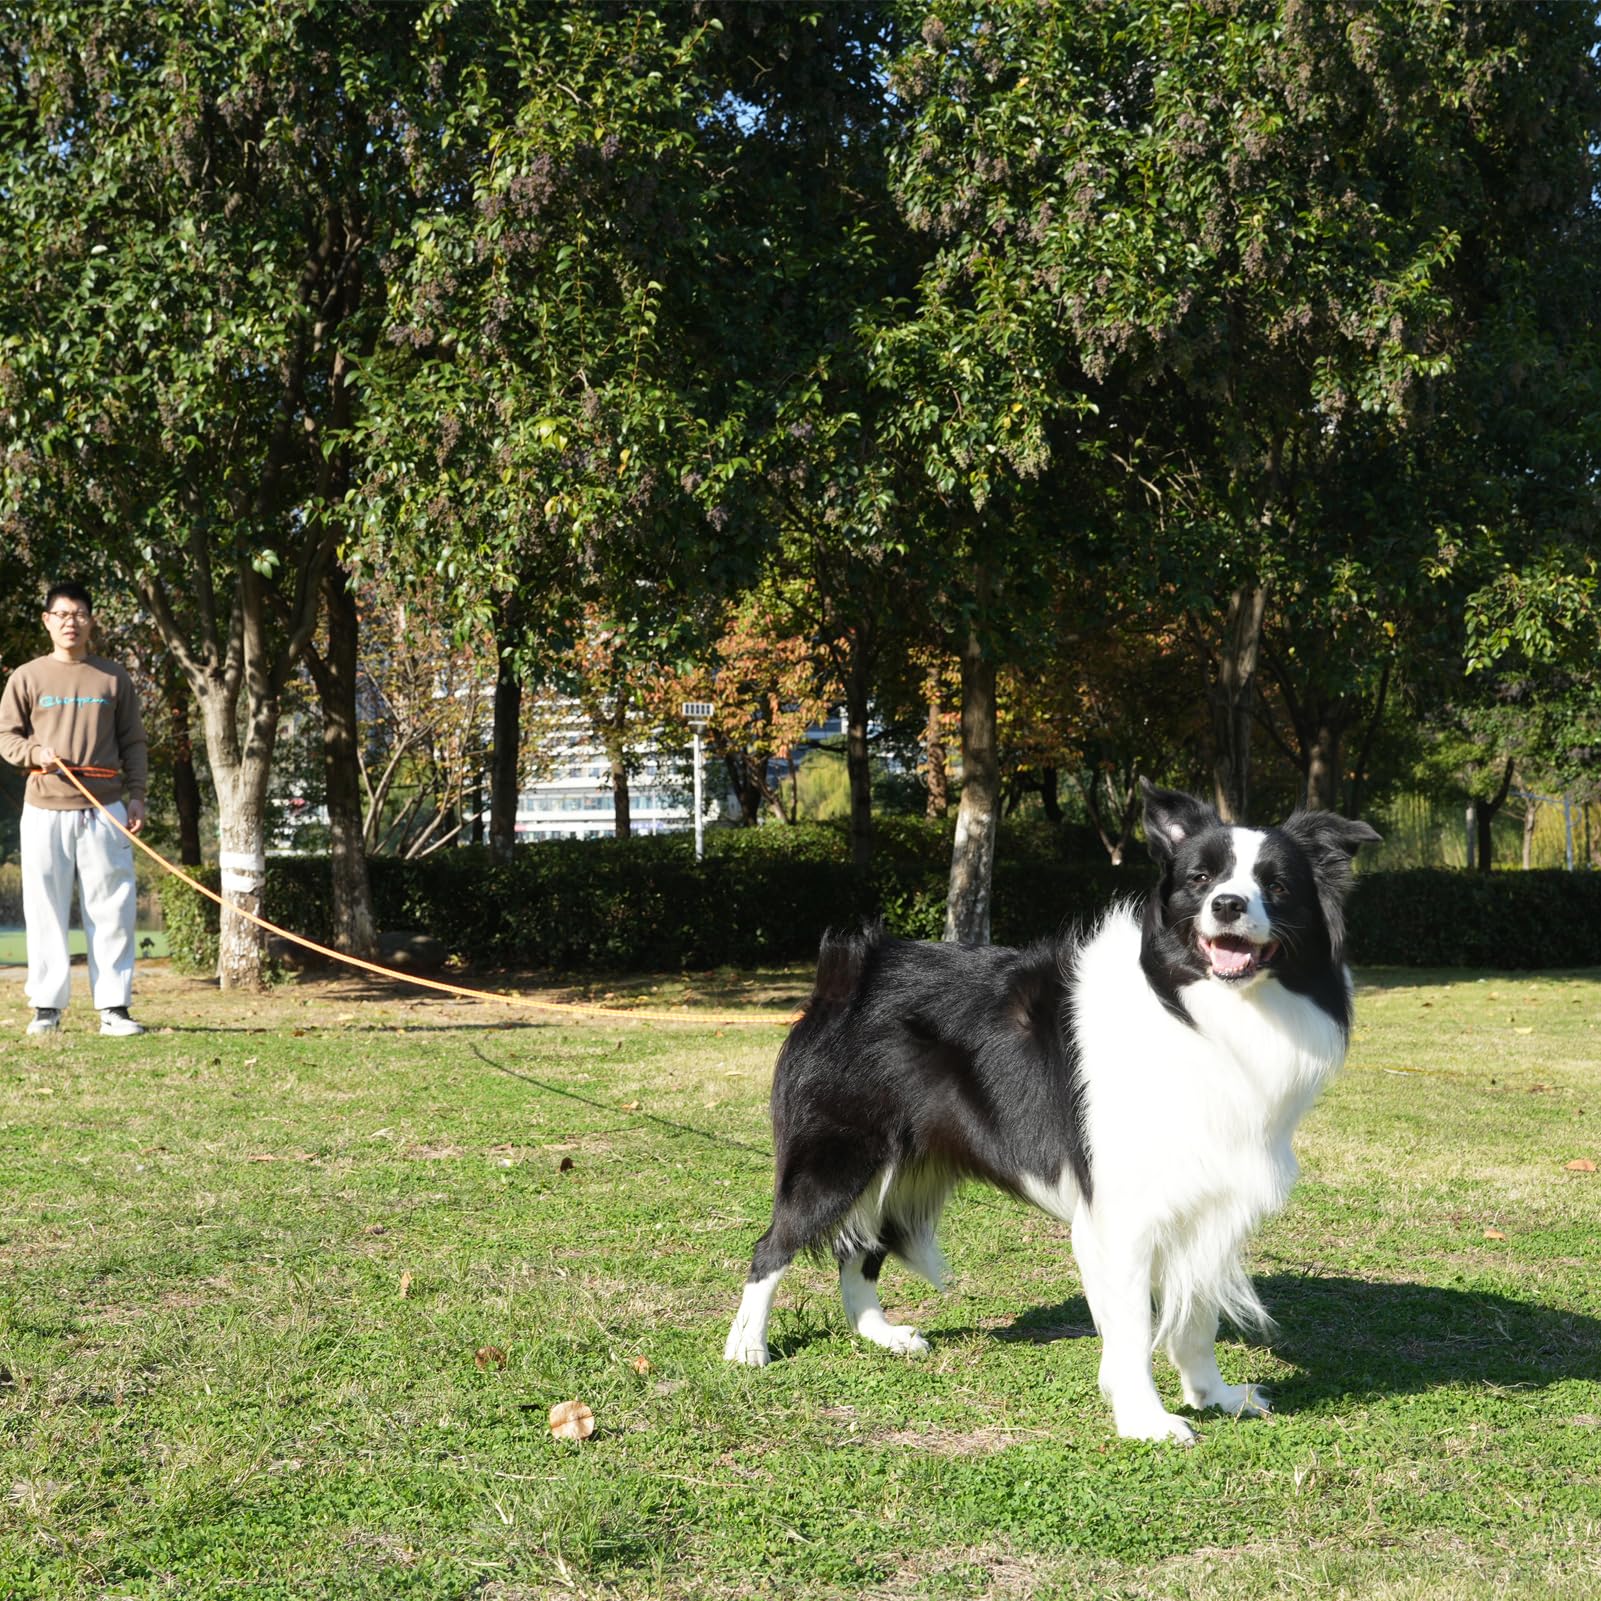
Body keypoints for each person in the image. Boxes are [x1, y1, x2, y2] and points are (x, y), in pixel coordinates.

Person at [0, 582, 149, 1036]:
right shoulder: (26, 676)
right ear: (47, 621)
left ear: (91, 620)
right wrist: (34, 754)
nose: (71, 622)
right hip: (44, 806)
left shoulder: (112, 676)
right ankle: (47, 1007)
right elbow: (6, 737)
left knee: (112, 907)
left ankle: (114, 1009)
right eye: (62, 614)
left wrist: (138, 794)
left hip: (105, 807)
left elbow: (133, 741)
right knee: (44, 907)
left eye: (79, 613)